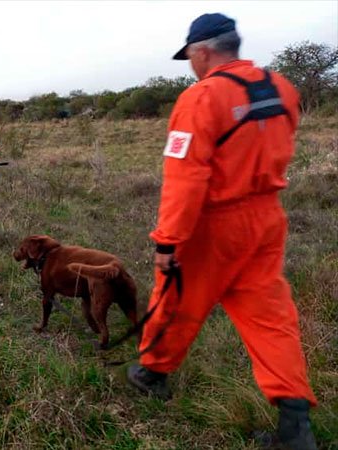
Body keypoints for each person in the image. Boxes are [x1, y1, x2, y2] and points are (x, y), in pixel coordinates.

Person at [126, 13, 317, 449]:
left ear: (203, 51)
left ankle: (152, 372)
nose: (190, 65)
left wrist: (168, 240)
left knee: (175, 295)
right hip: (267, 219)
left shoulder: (201, 98)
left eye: (189, 57)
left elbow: (186, 177)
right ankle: (295, 424)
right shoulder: (282, 88)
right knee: (271, 316)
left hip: (214, 223)